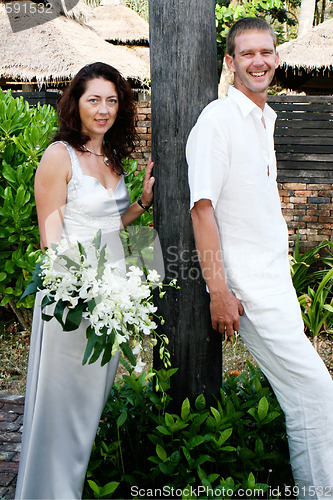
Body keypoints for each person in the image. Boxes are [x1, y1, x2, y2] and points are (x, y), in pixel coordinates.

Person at [186, 18, 333, 498]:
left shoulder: (263, 119)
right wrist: (219, 292)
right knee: (315, 393)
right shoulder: (218, 120)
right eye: (247, 54)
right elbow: (201, 209)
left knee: (304, 398)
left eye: (266, 52)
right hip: (248, 291)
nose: (259, 61)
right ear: (230, 63)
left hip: (277, 286)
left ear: (276, 58)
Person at [15, 62, 155, 499]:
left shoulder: (110, 156)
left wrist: (142, 204)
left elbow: (109, 225)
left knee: (87, 411)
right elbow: (51, 242)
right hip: (72, 305)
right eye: (93, 99)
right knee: (61, 412)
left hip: (111, 305)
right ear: (75, 103)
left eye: (112, 100)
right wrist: (86, 293)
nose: (103, 109)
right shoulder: (60, 156)